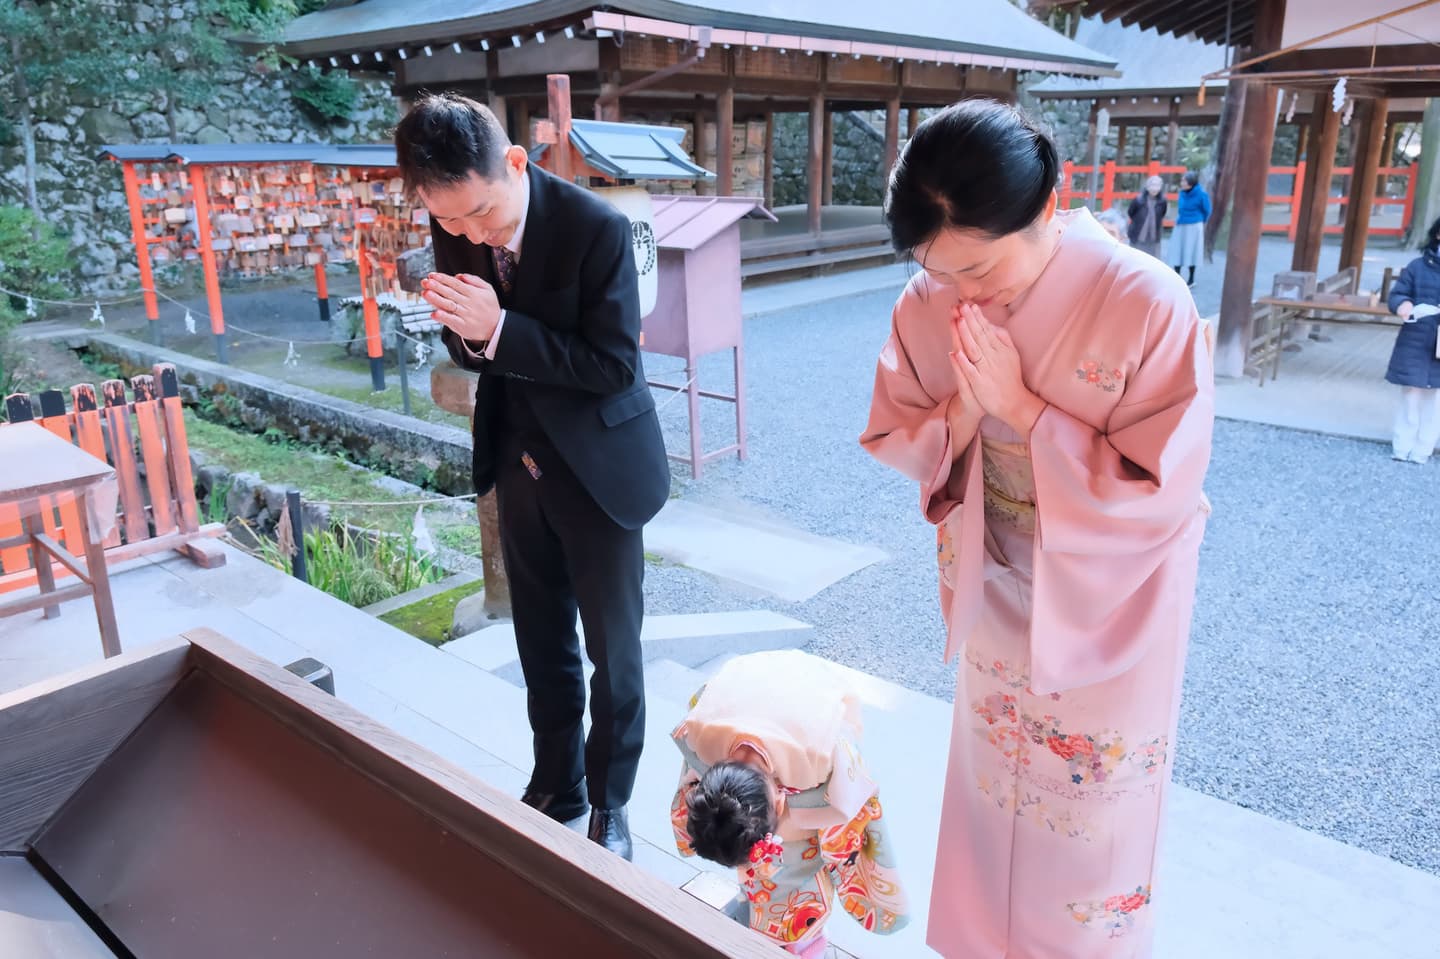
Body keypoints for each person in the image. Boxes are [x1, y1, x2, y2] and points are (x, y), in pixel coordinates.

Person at [861, 99, 1213, 957]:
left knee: (1092, 802)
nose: (960, 292)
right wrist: (965, 411)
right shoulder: (927, 302)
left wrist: (1022, 408)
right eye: (938, 271)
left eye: (980, 267)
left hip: (1112, 590)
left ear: (1048, 205)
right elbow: (899, 427)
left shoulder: (1146, 301)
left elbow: (1162, 487)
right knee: (996, 786)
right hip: (997, 573)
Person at [394, 93, 670, 860]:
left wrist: (501, 329)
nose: (467, 233)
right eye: (448, 220)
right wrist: (476, 335)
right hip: (517, 453)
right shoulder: (453, 218)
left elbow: (613, 364)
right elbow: (465, 342)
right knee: (539, 637)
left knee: (614, 651)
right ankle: (557, 781)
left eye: (481, 213)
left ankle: (610, 802)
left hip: (599, 465)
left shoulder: (596, 229)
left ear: (515, 163)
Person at [669, 650, 909, 958]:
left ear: (782, 802)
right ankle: (760, 921)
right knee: (743, 840)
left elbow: (852, 814)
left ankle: (803, 944)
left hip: (811, 695)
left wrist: (826, 834)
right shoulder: (702, 733)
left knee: (800, 884)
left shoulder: (822, 758)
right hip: (747, 686)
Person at [1383, 215, 1440, 464]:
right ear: (1437, 235)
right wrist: (1403, 304)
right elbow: (1398, 294)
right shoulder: (1418, 266)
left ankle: (1423, 449)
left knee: (1435, 401)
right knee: (1410, 395)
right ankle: (1402, 445)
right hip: (1416, 338)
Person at [1171, 171, 1211, 287]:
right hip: (1181, 223)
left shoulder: (1201, 194)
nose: (1182, 183)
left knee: (1192, 252)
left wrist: (1200, 220)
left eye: (1184, 181)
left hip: (1194, 225)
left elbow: (1207, 210)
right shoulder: (1182, 193)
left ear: (1191, 182)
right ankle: (1177, 277)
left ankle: (1191, 279)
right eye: (1182, 180)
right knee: (1178, 250)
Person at [1125, 175, 1167, 259]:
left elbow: (1162, 213)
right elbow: (1131, 213)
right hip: (1138, 234)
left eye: (1157, 185)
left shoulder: (1162, 201)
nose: (1155, 188)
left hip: (1153, 236)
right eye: (1152, 185)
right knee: (1135, 258)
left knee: (1151, 259)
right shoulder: (1138, 200)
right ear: (1147, 187)